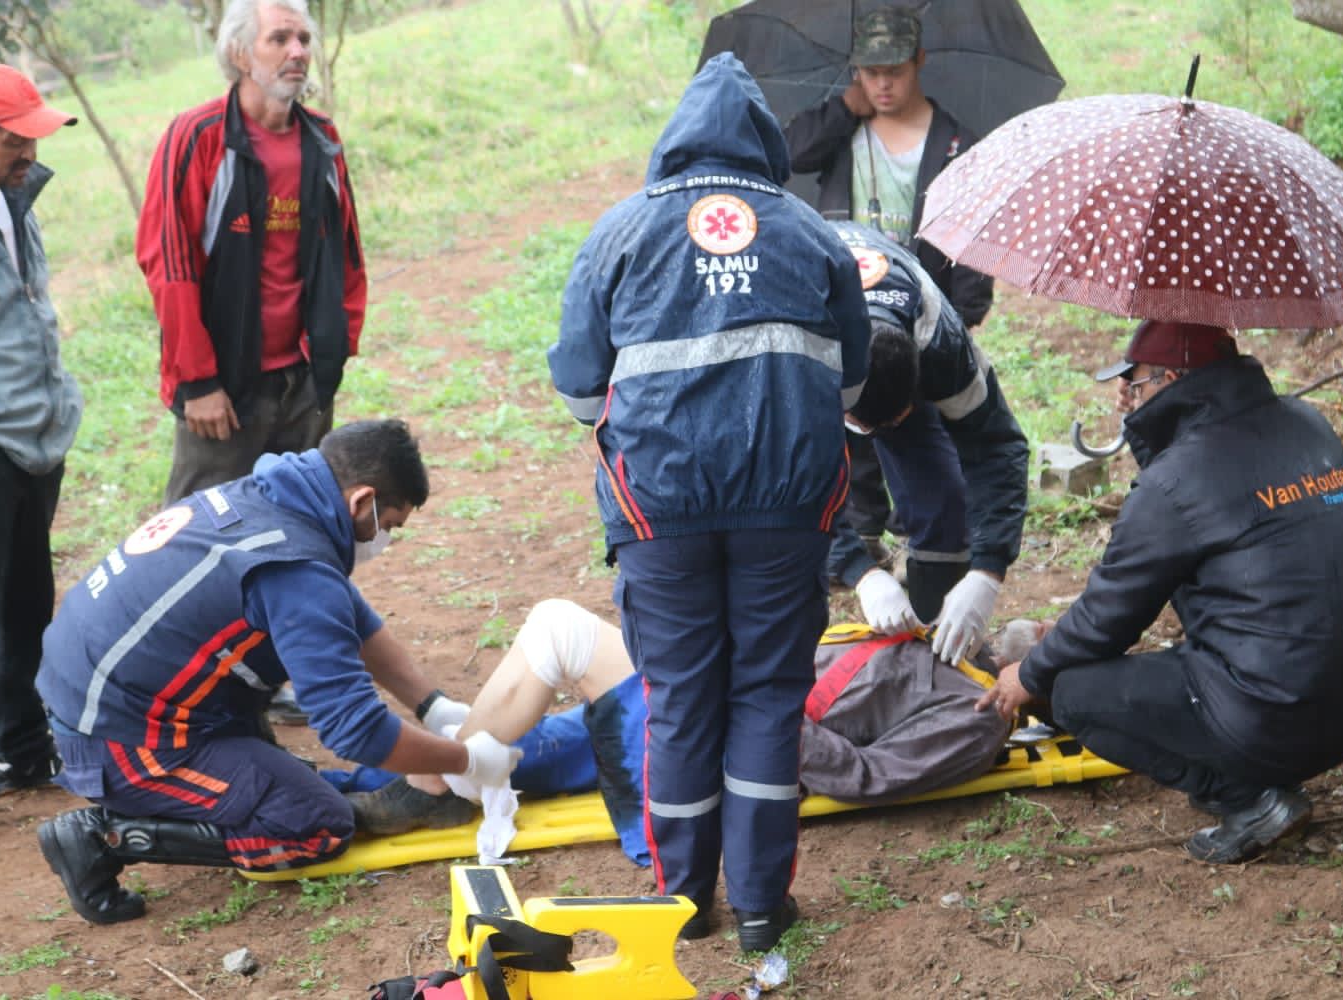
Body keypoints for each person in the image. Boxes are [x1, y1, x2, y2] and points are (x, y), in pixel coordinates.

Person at [547, 54, 870, 953]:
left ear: (674, 143)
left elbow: (578, 391)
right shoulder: (810, 232)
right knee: (768, 697)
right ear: (766, 145)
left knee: (682, 698)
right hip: (788, 506)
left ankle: (686, 903)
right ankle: (764, 906)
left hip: (660, 513)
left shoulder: (618, 234)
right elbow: (852, 384)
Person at [32, 420, 520, 924]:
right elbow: (354, 729)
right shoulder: (295, 569)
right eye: (389, 524)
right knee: (315, 822)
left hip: (109, 696)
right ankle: (103, 836)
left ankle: (245, 784)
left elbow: (352, 617)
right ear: (360, 501)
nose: (385, 539)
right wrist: (466, 759)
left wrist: (433, 706)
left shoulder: (271, 497)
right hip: (119, 741)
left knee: (302, 783)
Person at [977, 321, 1343, 864]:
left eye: (1136, 384)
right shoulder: (1307, 423)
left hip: (1281, 712)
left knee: (1074, 693)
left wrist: (1029, 675)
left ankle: (1249, 798)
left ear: (1173, 379)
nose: (1125, 396)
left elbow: (1110, 617)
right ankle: (1238, 764)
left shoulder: (1176, 481)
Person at [341, 600, 1023, 889]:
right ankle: (342, 794)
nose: (1035, 630)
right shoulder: (944, 644)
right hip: (710, 696)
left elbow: (868, 776)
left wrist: (748, 704)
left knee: (559, 631)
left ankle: (435, 786)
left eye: (1048, 648)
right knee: (527, 746)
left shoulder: (977, 713)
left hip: (725, 738)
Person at [784, 6, 996, 571]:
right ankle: (861, 533)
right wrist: (842, 111)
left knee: (915, 423)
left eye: (894, 70)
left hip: (918, 316)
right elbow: (787, 155)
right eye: (869, 70)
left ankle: (922, 538)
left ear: (918, 62)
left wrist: (961, 314)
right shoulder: (840, 128)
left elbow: (972, 235)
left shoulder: (954, 144)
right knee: (851, 427)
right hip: (842, 305)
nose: (881, 83)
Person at [137, 0, 366, 507]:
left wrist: (335, 347)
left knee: (301, 523)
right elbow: (169, 267)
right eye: (280, 39)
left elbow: (346, 249)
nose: (298, 51)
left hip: (304, 382)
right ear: (241, 54)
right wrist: (197, 383)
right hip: (225, 390)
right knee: (202, 529)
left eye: (304, 39)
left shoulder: (321, 137)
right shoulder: (198, 137)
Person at [828, 221, 1028, 666]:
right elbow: (781, 483)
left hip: (894, 340)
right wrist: (860, 573)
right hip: (814, 351)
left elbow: (997, 449)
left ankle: (936, 647)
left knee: (940, 495)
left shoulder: (941, 342)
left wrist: (987, 572)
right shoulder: (794, 352)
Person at [0, 66, 82, 797]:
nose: (29, 155)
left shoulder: (13, 198)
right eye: (15, 141)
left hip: (36, 437)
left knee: (25, 603)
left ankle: (18, 748)